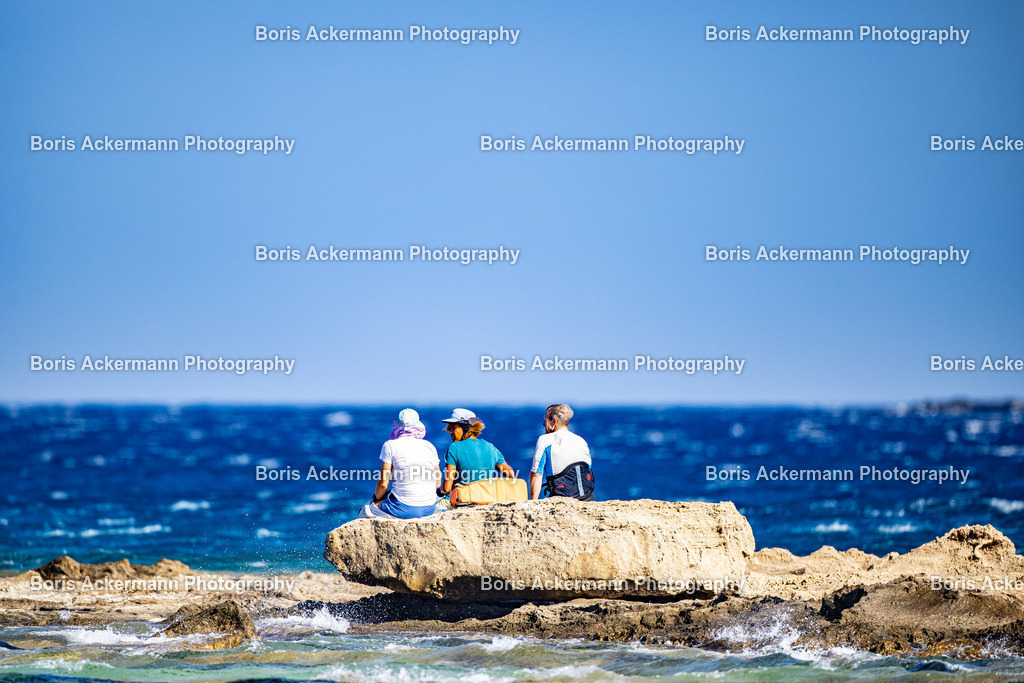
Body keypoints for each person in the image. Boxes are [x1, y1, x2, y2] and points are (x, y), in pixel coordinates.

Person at [358, 408, 441, 519]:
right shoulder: (429, 446)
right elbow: (437, 482)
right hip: (429, 508)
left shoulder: (390, 445)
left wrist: (377, 499)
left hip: (404, 508)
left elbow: (383, 483)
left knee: (366, 509)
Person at [437, 408, 516, 506]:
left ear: (466, 428)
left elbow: (446, 488)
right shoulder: (490, 447)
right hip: (487, 500)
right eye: (449, 428)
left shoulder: (454, 447)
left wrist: (439, 491)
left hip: (461, 501)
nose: (450, 431)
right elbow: (510, 474)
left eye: (453, 428)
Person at [530, 403, 595, 501]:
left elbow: (536, 474)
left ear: (554, 421)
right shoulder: (581, 441)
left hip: (562, 496)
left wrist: (533, 502)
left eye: (546, 420)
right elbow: (587, 470)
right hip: (588, 497)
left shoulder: (545, 440)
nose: (543, 424)